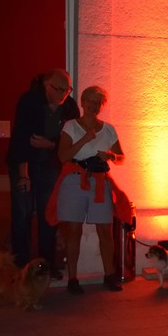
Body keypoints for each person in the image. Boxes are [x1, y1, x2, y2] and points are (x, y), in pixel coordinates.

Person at [51, 86, 126, 295]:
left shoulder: (108, 129)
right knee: (73, 230)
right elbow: (63, 156)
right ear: (82, 102)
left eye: (98, 102)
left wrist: (111, 156)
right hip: (75, 180)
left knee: (105, 230)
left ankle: (109, 275)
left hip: (99, 182)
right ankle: (72, 278)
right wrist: (84, 139)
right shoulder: (71, 126)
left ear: (102, 106)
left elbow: (121, 157)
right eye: (90, 101)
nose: (94, 105)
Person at [7, 69, 79, 278]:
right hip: (26, 162)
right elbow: (21, 138)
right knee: (22, 214)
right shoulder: (30, 101)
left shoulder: (69, 106)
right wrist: (23, 174)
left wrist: (50, 144)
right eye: (58, 89)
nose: (63, 94)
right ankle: (20, 266)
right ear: (46, 86)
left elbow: (72, 140)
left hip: (50, 164)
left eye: (67, 89)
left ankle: (46, 266)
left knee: (48, 214)